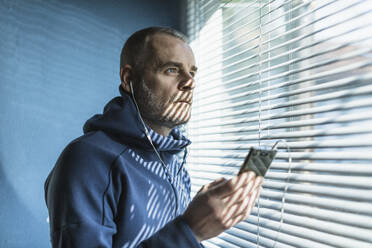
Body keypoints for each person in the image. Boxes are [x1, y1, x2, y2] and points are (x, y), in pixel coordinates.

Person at [44, 27, 263, 248]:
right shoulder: (87, 160)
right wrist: (191, 230)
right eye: (171, 70)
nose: (190, 82)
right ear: (129, 78)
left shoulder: (175, 166)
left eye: (192, 72)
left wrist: (203, 219)